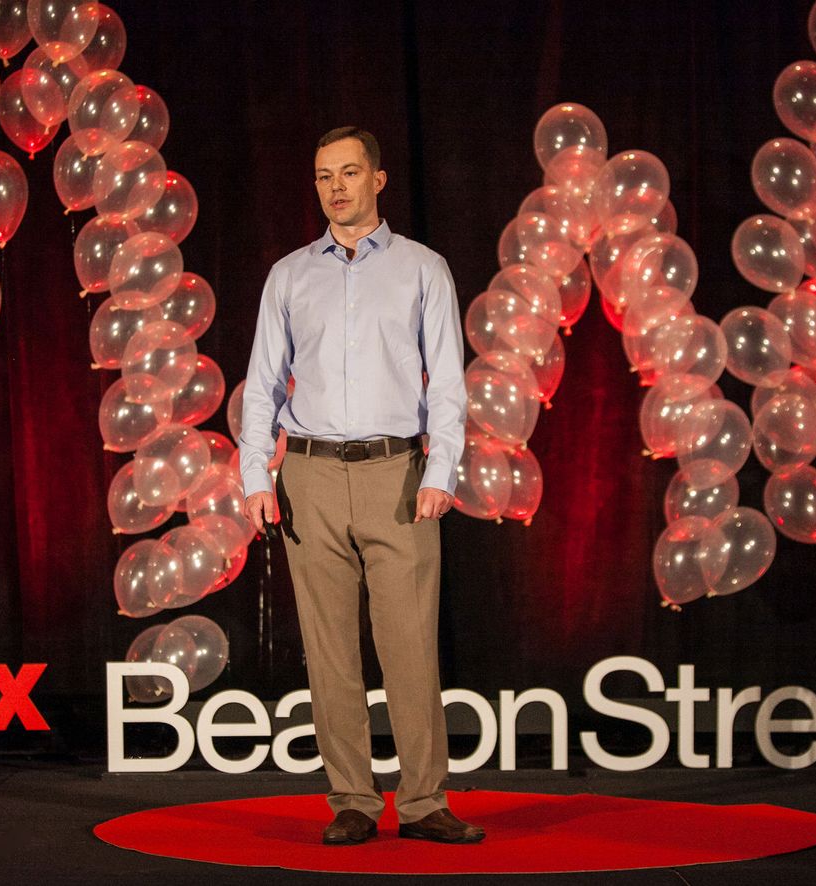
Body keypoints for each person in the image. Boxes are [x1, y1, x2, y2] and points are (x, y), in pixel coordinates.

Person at [238, 127, 481, 845]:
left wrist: (441, 470)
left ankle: (424, 801)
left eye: (349, 173)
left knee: (409, 644)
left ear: (378, 180)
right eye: (323, 176)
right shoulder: (289, 275)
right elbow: (262, 385)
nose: (335, 187)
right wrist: (257, 474)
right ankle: (351, 799)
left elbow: (449, 381)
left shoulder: (422, 269)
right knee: (331, 648)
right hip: (308, 473)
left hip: (397, 473)